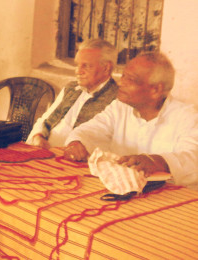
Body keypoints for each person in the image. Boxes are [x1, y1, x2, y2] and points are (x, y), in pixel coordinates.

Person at [63, 52, 198, 190]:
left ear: (156, 90)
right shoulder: (120, 107)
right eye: (123, 76)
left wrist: (157, 161)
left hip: (172, 201)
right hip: (123, 193)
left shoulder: (188, 116)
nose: (121, 83)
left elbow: (193, 158)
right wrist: (76, 142)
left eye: (131, 79)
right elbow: (90, 130)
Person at [26, 39, 118, 148]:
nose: (78, 71)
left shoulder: (117, 98)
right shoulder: (71, 88)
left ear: (106, 68)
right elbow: (44, 120)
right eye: (77, 65)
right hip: (45, 151)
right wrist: (38, 136)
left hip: (76, 160)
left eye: (86, 66)